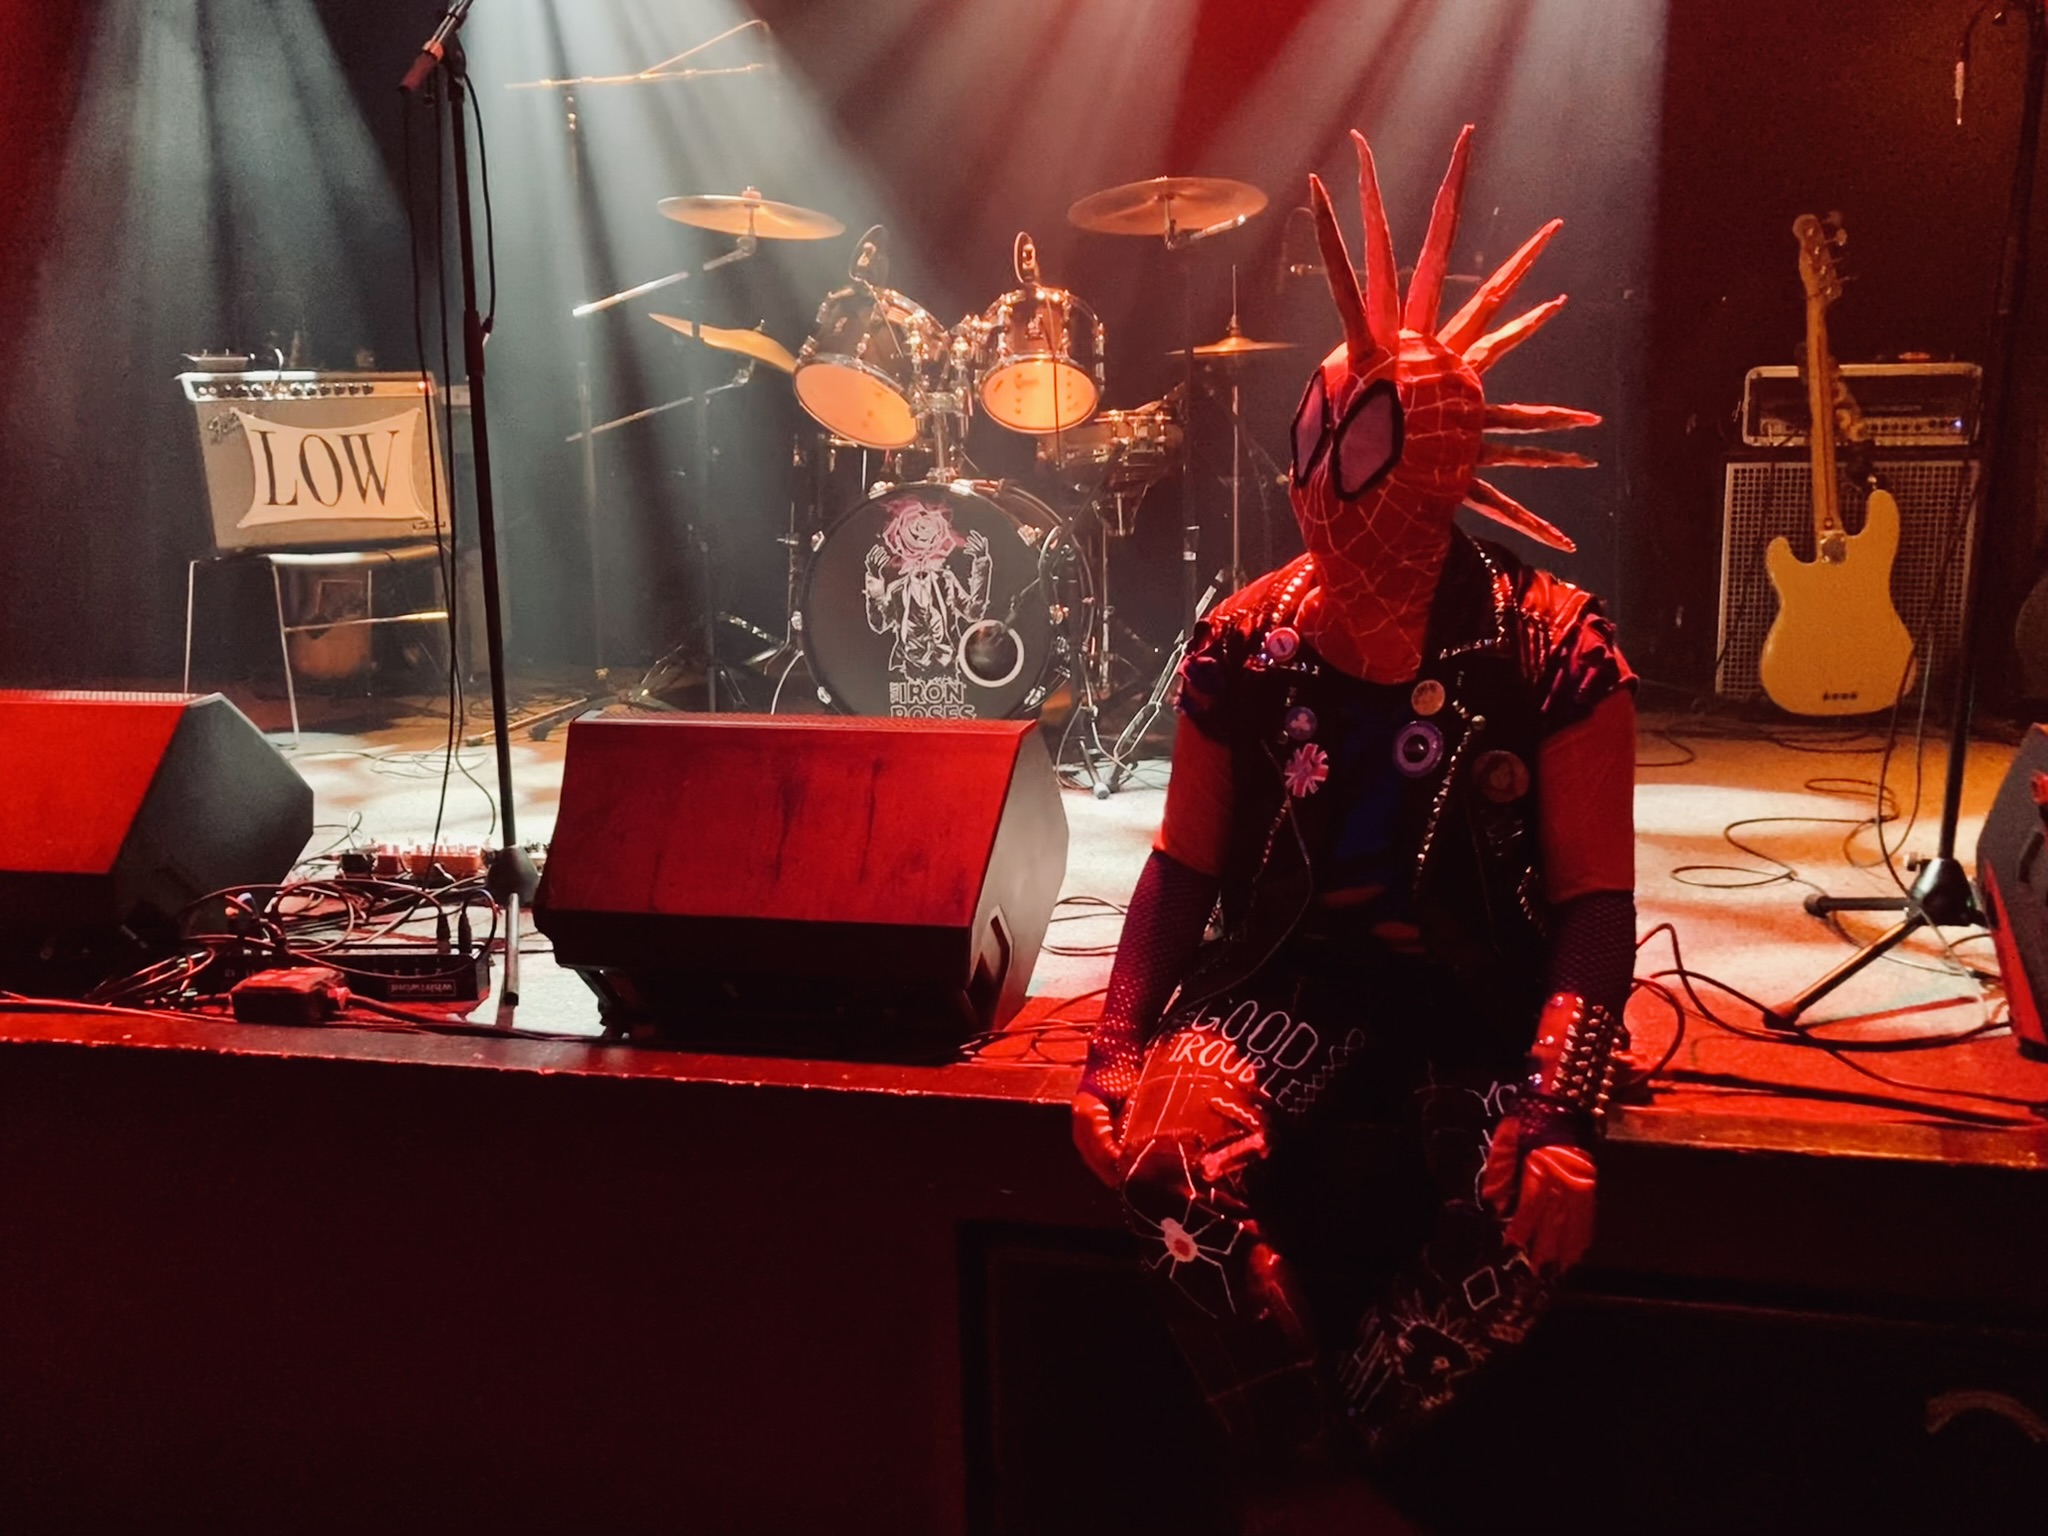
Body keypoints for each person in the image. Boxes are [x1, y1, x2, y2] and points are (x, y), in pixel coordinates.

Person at [1071, 126, 1637, 1523]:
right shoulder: (1246, 641)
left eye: (1363, 438)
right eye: (1316, 432)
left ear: (1440, 461)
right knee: (1158, 1164)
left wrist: (1558, 1107)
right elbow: (1184, 866)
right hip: (1290, 986)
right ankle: (1328, 1485)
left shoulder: (1553, 648)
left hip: (1483, 999)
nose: (1325, 470)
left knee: (1527, 1219)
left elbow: (1591, 908)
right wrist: (1114, 1048)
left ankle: (1303, 1467)